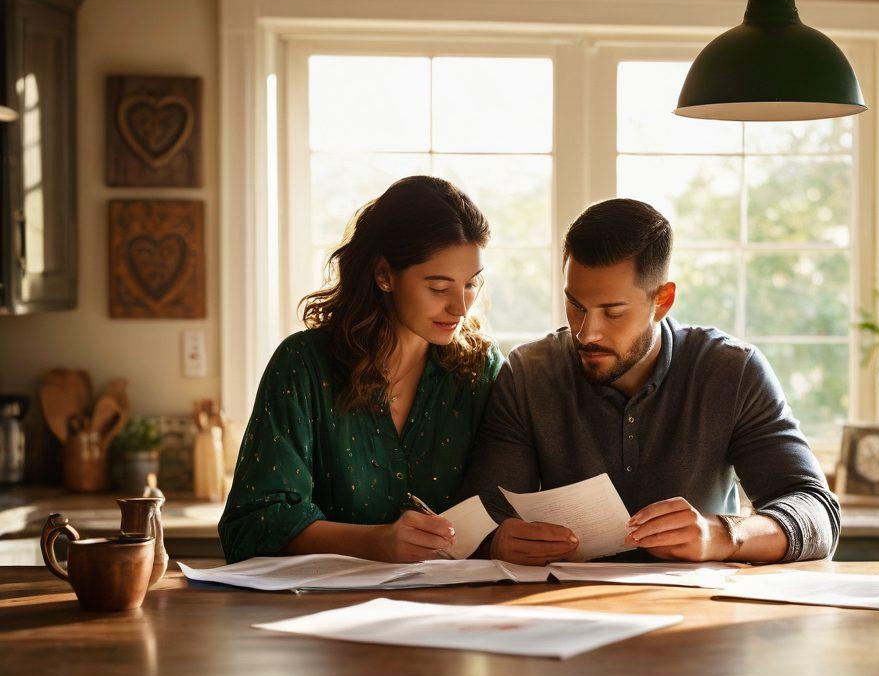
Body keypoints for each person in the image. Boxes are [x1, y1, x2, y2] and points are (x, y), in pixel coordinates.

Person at [462, 198, 840, 566]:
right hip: (562, 612)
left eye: (612, 312)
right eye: (576, 306)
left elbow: (817, 512)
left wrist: (723, 534)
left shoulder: (731, 371)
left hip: (701, 614)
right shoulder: (529, 373)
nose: (586, 332)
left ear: (662, 300)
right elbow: (483, 521)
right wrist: (497, 542)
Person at [219, 176, 503, 564]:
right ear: (384, 275)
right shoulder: (303, 365)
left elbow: (503, 508)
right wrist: (375, 542)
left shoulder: (481, 369)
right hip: (317, 612)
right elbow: (252, 523)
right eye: (438, 288)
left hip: (454, 608)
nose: (460, 307)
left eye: (471, 285)